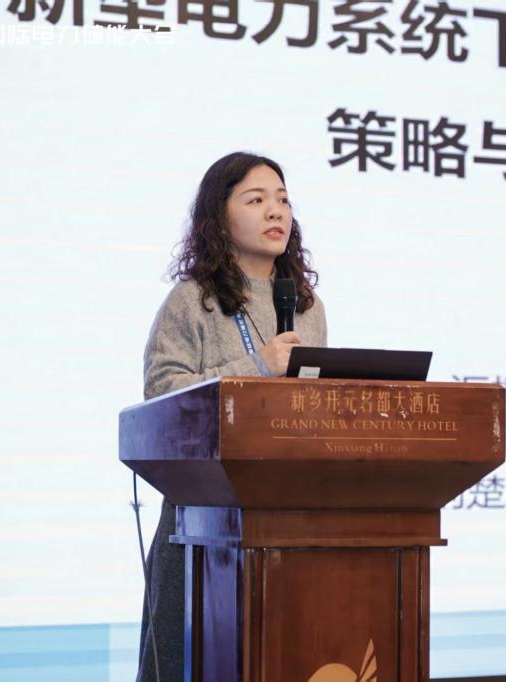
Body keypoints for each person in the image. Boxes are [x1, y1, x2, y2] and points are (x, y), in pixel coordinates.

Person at [136, 152, 327, 682]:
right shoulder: (193, 300)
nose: (276, 211)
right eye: (256, 199)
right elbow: (162, 394)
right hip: (201, 522)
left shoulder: (306, 305)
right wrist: (256, 366)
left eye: (283, 200)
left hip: (290, 516)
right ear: (219, 217)